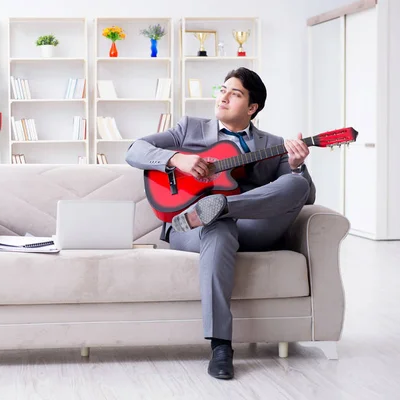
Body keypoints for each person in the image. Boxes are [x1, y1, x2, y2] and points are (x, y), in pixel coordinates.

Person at [124, 67, 316, 380]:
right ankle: (221, 346)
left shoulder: (275, 144)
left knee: (297, 184)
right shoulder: (189, 129)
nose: (223, 97)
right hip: (191, 226)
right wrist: (177, 159)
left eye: (235, 93)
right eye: (222, 89)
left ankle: (221, 206)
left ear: (252, 108)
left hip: (253, 226)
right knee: (218, 227)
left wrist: (296, 167)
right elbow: (134, 150)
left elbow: (302, 198)